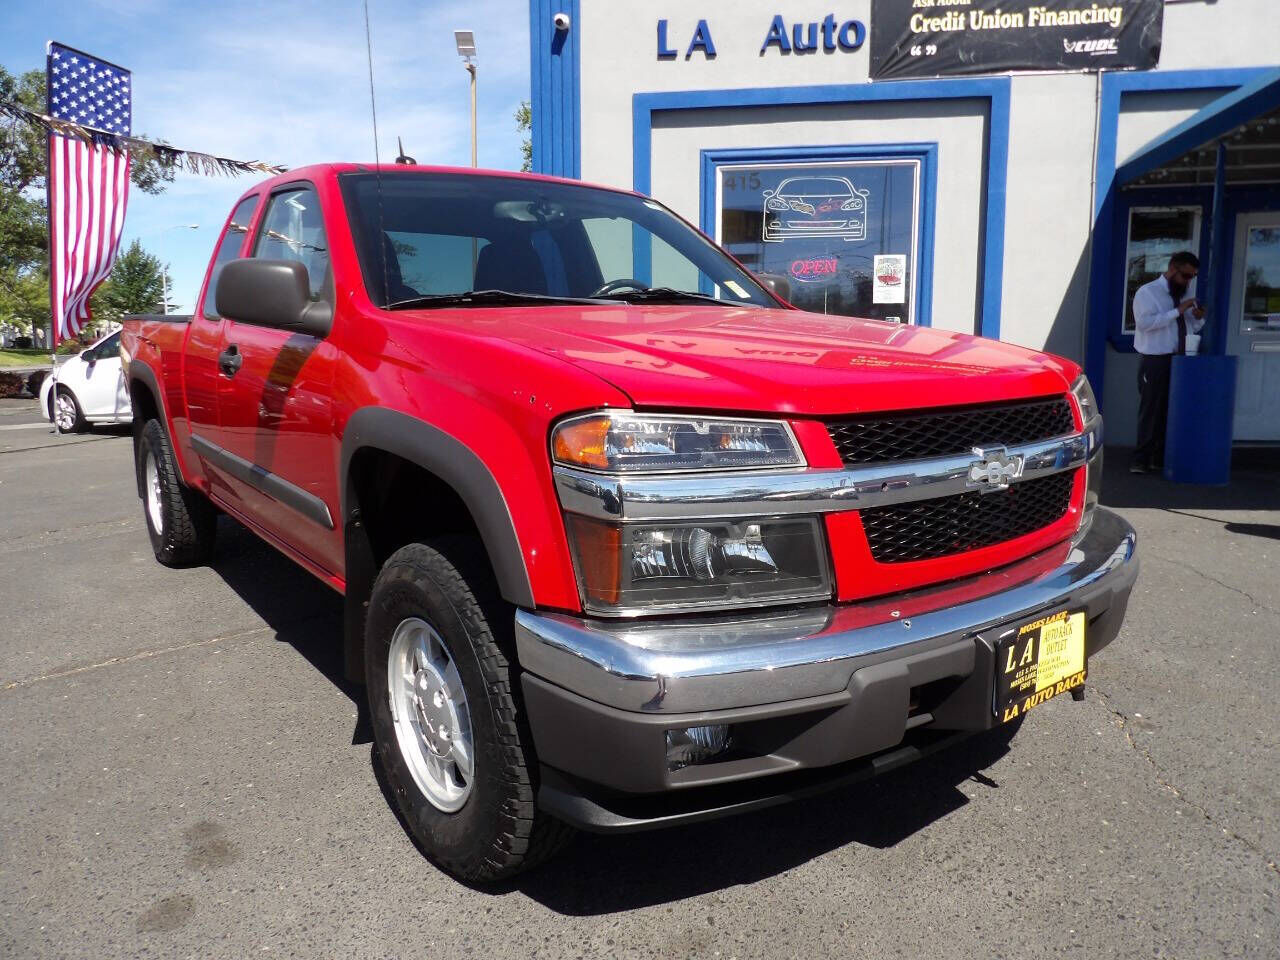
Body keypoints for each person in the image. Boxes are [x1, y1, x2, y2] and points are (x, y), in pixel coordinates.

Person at [1130, 251, 1206, 474]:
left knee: (1171, 409)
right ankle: (1140, 458)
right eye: (1185, 275)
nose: (1188, 281)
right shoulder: (1148, 292)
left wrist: (1198, 316)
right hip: (1155, 359)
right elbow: (1144, 324)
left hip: (1181, 358)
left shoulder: (1184, 292)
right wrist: (1177, 311)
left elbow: (1192, 325)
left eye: (1192, 277)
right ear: (1172, 269)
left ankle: (1160, 456)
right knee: (1151, 408)